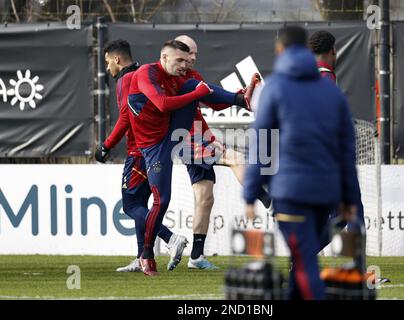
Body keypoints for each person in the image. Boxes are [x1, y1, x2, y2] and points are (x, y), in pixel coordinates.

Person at [243, 25, 360, 299]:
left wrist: (250, 193)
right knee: (301, 261)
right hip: (326, 191)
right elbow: (346, 151)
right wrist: (349, 196)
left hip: (291, 193)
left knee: (304, 260)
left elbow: (261, 142)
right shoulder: (333, 92)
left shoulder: (274, 88)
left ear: (280, 50)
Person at [128, 40, 256, 276]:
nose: (185, 64)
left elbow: (210, 98)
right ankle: (146, 254)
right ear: (164, 57)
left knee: (192, 87)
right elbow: (162, 104)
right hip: (153, 146)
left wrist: (232, 98)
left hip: (177, 133)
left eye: (189, 59)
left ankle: (244, 100)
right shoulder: (147, 73)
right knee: (160, 201)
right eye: (181, 60)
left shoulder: (184, 77)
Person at [174, 35, 271, 270]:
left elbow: (213, 100)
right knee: (234, 157)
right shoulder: (170, 78)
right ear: (175, 52)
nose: (194, 57)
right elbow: (206, 92)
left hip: (198, 136)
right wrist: (240, 98)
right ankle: (269, 200)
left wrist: (237, 95)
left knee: (205, 199)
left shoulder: (192, 76)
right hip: (186, 139)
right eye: (189, 52)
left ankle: (196, 257)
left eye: (196, 53)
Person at [95, 40, 188, 272]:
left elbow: (126, 116)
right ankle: (142, 257)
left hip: (139, 150)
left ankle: (171, 238)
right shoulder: (143, 73)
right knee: (142, 204)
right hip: (152, 147)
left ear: (117, 60)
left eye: (108, 62)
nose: (108, 68)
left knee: (130, 205)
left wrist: (106, 146)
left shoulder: (127, 79)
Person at [308, 30, 366, 271]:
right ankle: (358, 271)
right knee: (354, 213)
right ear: (333, 51)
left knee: (340, 218)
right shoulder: (325, 77)